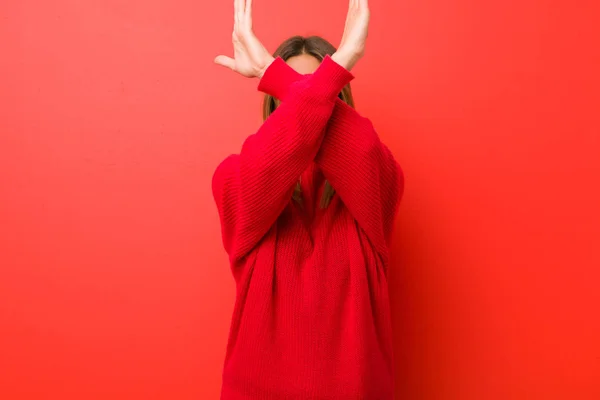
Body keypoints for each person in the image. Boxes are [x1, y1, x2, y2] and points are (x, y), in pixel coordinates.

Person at [212, 0, 404, 398]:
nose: (310, 104)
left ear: (341, 99)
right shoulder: (233, 178)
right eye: (296, 92)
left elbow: (363, 153)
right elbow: (263, 171)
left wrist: (276, 75)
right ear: (272, 104)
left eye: (323, 90)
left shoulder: (377, 183)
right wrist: (330, 71)